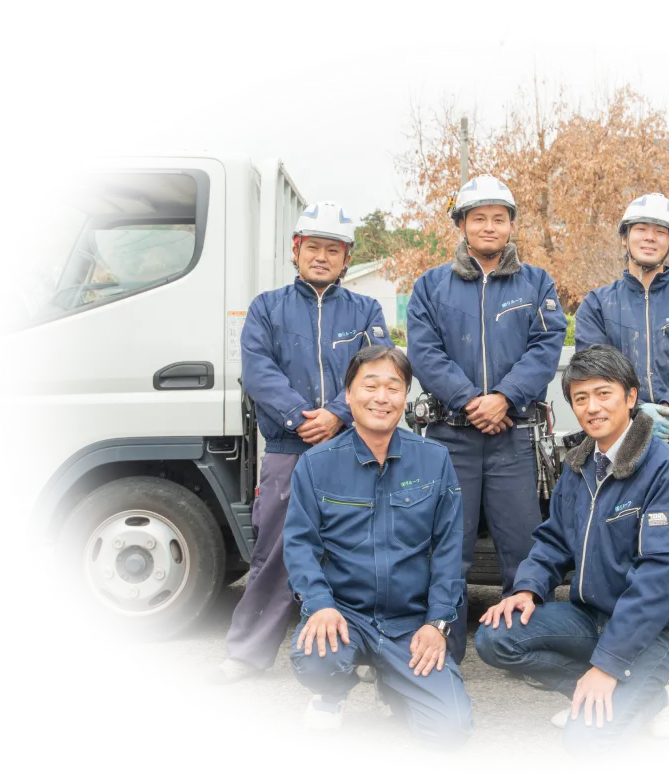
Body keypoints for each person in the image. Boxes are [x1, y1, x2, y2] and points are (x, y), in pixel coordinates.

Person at [473, 345, 669, 768]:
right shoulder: (580, 465)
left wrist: (608, 666)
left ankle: (650, 692)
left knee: (586, 745)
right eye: (580, 398)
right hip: (591, 617)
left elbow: (659, 582)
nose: (592, 407)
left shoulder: (664, 469)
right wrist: (527, 590)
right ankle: (613, 692)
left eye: (604, 394)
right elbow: (553, 539)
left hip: (655, 631)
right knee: (496, 635)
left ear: (631, 396)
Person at [203, 202, 393, 686]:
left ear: (347, 257)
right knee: (276, 550)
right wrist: (299, 416)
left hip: (352, 447)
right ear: (296, 250)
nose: (322, 257)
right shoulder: (267, 307)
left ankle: (365, 650)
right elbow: (258, 370)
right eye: (314, 247)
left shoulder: (365, 311)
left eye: (333, 249)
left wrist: (338, 415)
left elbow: (377, 369)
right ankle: (248, 652)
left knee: (359, 549)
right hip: (289, 447)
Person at [406, 174, 568, 666]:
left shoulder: (536, 282)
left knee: (523, 547)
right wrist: (469, 401)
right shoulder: (431, 285)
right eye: (479, 218)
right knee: (447, 548)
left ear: (511, 225)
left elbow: (546, 347)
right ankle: (445, 654)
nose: (490, 227)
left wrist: (504, 398)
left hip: (514, 435)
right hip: (449, 437)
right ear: (461, 224)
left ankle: (526, 651)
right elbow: (424, 352)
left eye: (499, 218)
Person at [573, 192, 669, 689]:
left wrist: (668, 407)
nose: (649, 237)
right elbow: (592, 364)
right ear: (625, 238)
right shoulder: (598, 303)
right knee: (617, 537)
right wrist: (632, 411)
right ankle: (612, 643)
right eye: (640, 229)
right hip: (616, 436)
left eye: (660, 232)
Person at [283, 346, 475, 751]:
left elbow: (448, 551)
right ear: (348, 394)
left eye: (394, 387)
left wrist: (437, 623)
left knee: (451, 730)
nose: (381, 398)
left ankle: (391, 683)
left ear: (405, 397)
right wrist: (319, 604)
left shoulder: (435, 460)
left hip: (409, 622)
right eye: (370, 386)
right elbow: (299, 545)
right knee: (317, 660)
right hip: (344, 614)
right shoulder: (316, 464)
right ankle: (330, 692)